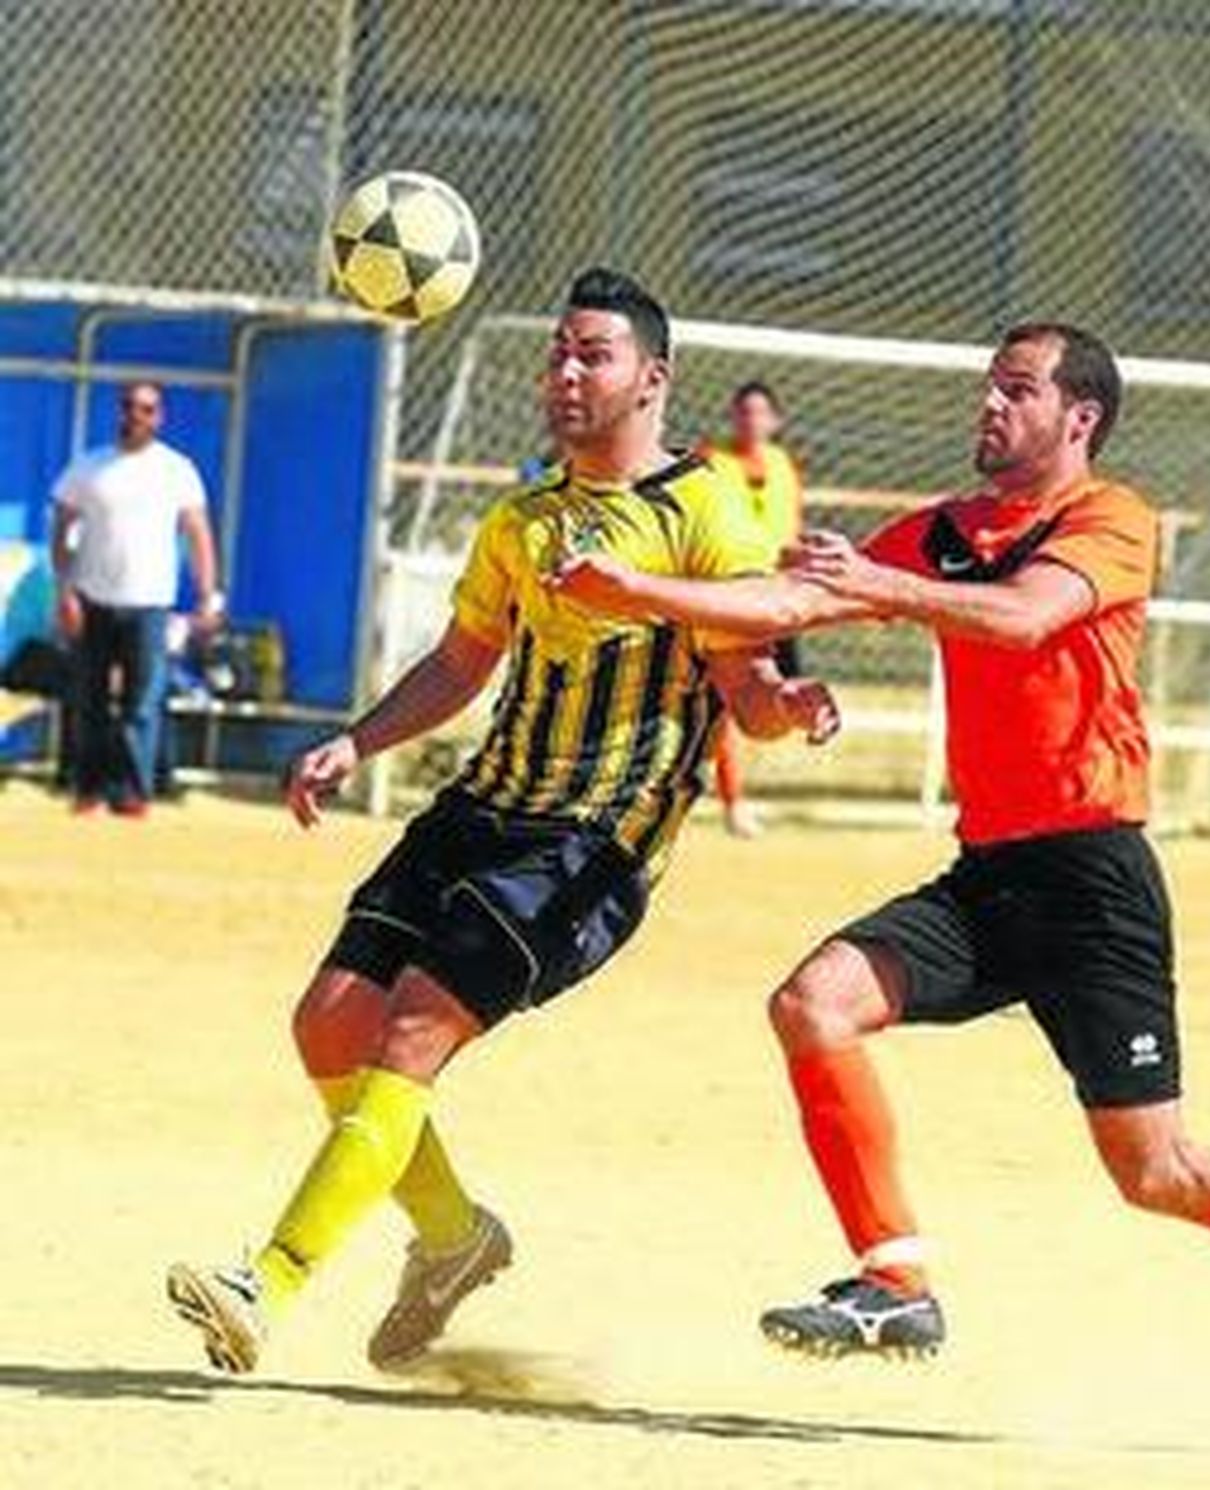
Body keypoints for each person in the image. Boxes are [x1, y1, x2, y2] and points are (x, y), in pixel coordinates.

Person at [553, 322, 1210, 1447]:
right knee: (812, 1002)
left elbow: (1026, 616)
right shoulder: (939, 532)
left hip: (1094, 882)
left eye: (1016, 389)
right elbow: (787, 606)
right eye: (989, 385)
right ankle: (894, 1282)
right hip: (989, 876)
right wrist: (637, 584)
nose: (990, 404)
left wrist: (878, 584)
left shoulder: (1110, 518)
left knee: (1160, 1169)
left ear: (1077, 418)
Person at [164, 267, 839, 1376]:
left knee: (416, 1023)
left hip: (592, 842)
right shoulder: (522, 518)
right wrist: (358, 739)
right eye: (558, 354)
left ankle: (266, 1279)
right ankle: (454, 1236)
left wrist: (787, 705)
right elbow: (464, 658)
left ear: (652, 378)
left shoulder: (704, 507)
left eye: (594, 355)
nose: (567, 374)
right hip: (482, 807)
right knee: (329, 1023)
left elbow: (745, 672)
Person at [50, 381, 222, 815]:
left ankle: (130, 793)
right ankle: (87, 790)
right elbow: (61, 530)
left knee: (141, 703)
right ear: (120, 411)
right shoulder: (89, 467)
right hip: (93, 599)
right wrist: (65, 590)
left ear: (159, 416)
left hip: (150, 603)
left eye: (146, 408)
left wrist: (208, 595)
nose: (136, 415)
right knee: (89, 699)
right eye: (129, 406)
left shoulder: (176, 469)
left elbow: (198, 534)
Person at [701, 381, 806, 837]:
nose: (751, 420)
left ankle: (716, 780)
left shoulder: (783, 465)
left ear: (775, 421)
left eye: (760, 413)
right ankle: (732, 800)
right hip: (728, 595)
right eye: (743, 412)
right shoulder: (710, 460)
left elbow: (791, 524)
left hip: (776, 595)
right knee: (722, 701)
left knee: (771, 700)